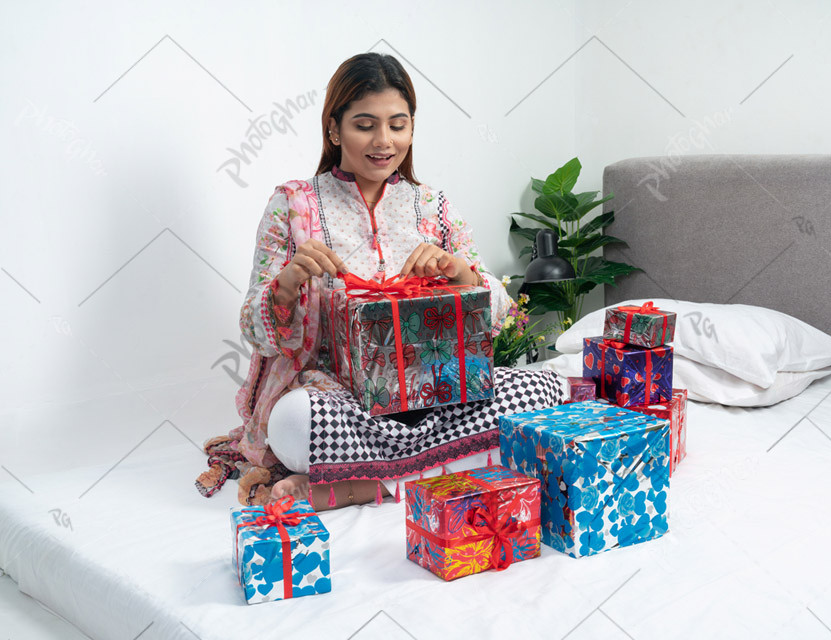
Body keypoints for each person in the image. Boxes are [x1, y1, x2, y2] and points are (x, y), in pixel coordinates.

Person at [196, 53, 564, 509]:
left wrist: (461, 274)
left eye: (398, 124)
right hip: (343, 405)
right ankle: (436, 466)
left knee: (546, 390)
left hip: (439, 397)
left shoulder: (433, 206)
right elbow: (255, 330)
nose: (384, 141)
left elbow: (499, 315)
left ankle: (359, 484)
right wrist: (288, 283)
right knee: (293, 423)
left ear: (412, 127)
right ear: (334, 129)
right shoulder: (292, 205)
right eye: (365, 124)